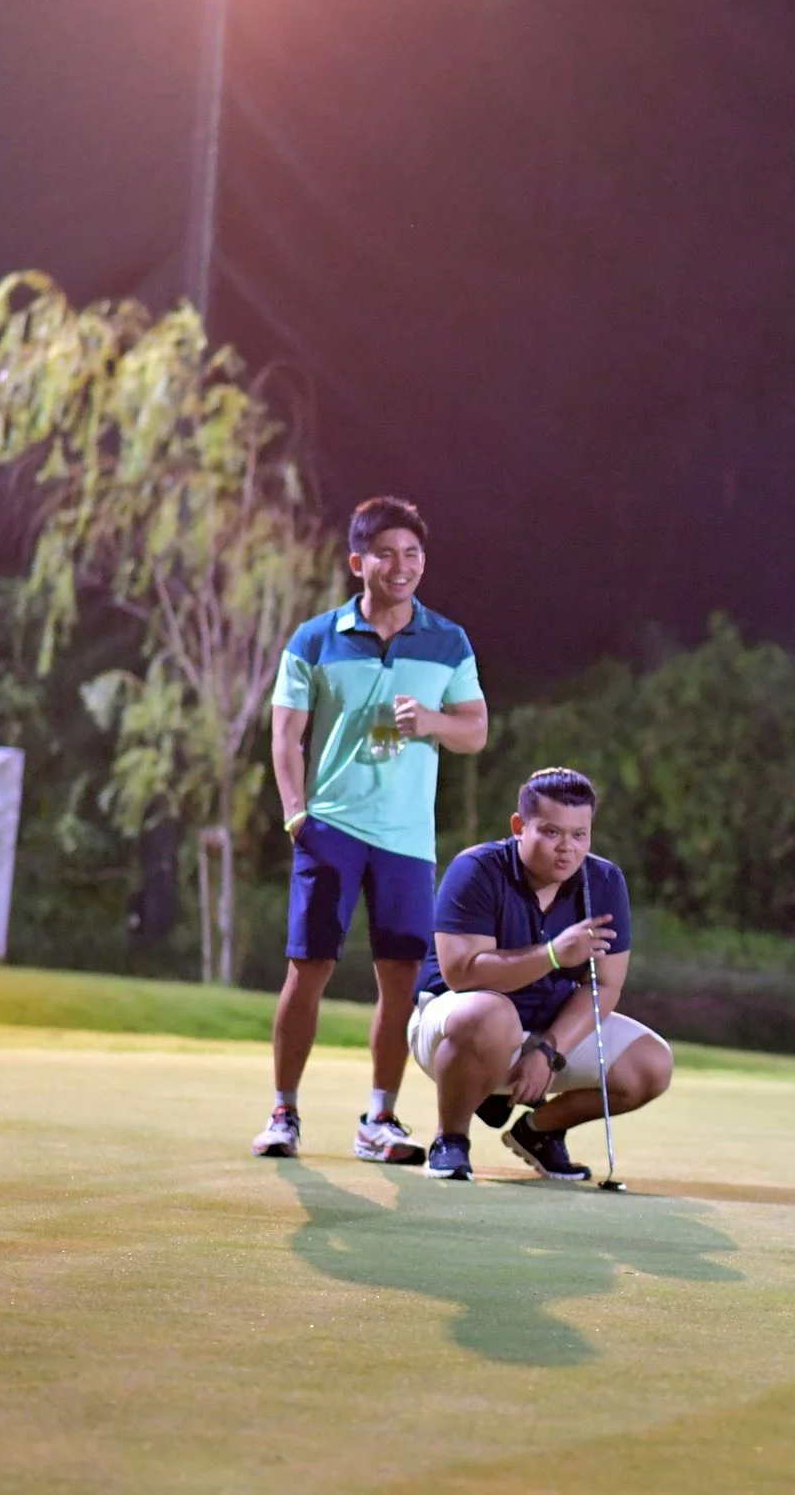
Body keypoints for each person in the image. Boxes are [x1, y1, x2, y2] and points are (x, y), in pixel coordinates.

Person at [253, 496, 488, 1161]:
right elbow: (285, 735)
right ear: (358, 561)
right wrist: (296, 813)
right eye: (385, 552)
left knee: (399, 980)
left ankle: (378, 1119)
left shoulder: (449, 640)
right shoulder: (314, 638)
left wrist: (432, 723)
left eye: (412, 553)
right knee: (309, 969)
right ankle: (284, 1112)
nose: (401, 565)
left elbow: (475, 728)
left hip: (407, 841)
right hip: (329, 829)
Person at [407, 766, 675, 1182]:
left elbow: (605, 984)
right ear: (519, 826)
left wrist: (550, 1051)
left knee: (652, 1064)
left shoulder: (604, 881)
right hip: (455, 1027)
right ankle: (451, 1139)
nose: (566, 848)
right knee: (490, 1016)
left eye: (579, 834)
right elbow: (462, 975)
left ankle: (539, 1132)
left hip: (545, 1031)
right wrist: (553, 954)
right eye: (551, 832)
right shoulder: (476, 869)